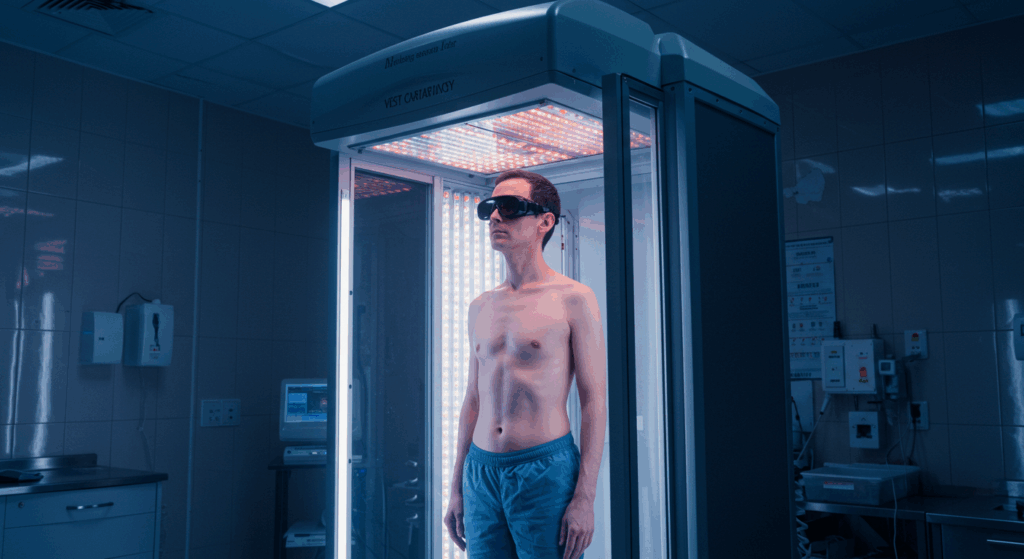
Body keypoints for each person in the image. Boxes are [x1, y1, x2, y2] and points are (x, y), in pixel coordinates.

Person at [443, 169, 607, 559]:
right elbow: (472, 400)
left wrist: (584, 497)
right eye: (490, 209)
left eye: (510, 207)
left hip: (544, 469)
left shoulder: (573, 298)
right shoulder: (481, 305)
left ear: (545, 222)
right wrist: (456, 487)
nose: (496, 217)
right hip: (480, 473)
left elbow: (594, 401)